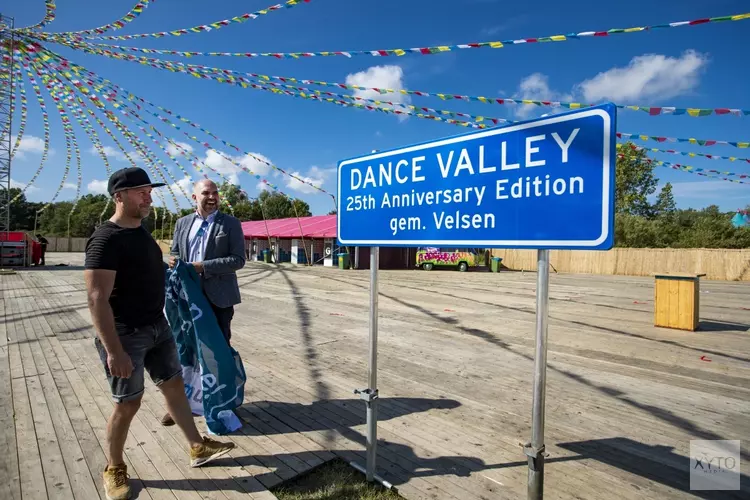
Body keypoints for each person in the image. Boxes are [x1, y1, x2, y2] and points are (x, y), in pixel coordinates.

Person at [84, 167, 235, 500]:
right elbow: (97, 299)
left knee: (174, 385)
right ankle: (114, 467)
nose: (148, 196)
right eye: (141, 192)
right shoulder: (106, 239)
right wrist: (114, 351)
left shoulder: (141, 230)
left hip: (158, 327)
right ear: (119, 196)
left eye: (149, 191)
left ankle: (196, 446)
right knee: (128, 403)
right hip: (125, 335)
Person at [162, 179, 246, 426]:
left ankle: (222, 405)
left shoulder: (230, 224)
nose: (212, 197)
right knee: (186, 351)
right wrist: (173, 260)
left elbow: (238, 260)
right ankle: (185, 404)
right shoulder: (182, 223)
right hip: (187, 298)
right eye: (206, 193)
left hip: (219, 299)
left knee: (219, 353)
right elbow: (176, 252)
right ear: (194, 197)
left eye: (215, 193)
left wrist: (201, 267)